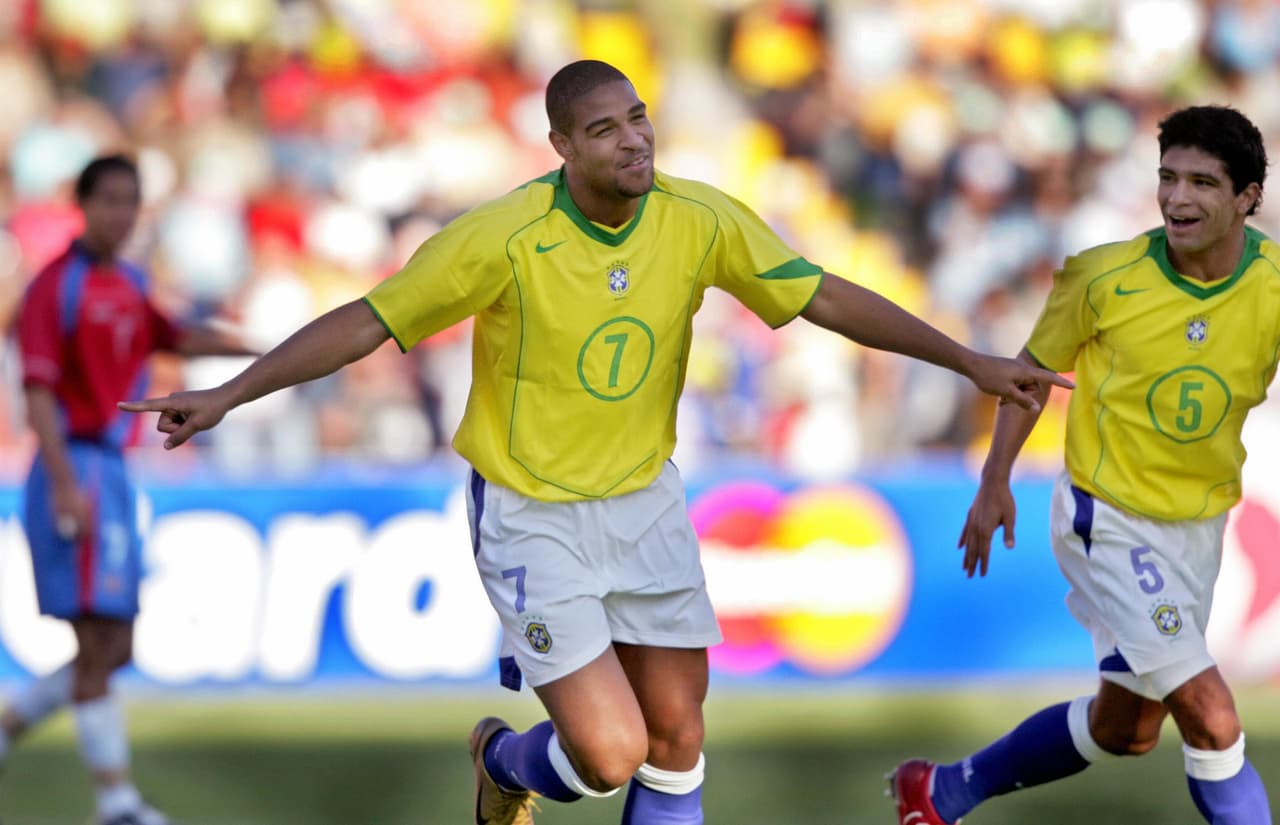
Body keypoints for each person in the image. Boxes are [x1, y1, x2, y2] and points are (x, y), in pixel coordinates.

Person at [120, 60, 1068, 825]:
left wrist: (964, 359)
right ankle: (500, 760)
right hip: (532, 514)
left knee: (679, 736)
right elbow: (371, 320)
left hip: (646, 500)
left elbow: (820, 291)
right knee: (610, 755)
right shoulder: (503, 236)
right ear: (561, 146)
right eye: (605, 127)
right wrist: (234, 392)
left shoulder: (699, 219)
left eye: (640, 117)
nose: (633, 138)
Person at [890, 105, 1275, 825]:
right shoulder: (1104, 277)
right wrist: (994, 478)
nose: (1178, 199)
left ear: (1249, 196)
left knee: (1123, 730)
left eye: (1203, 182)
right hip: (1109, 519)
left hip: (1200, 526)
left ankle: (939, 791)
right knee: (1215, 718)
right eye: (1168, 178)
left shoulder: (1275, 284)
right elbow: (1029, 374)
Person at [2, 154, 255, 825]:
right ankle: (115, 803)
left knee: (117, 646)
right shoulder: (56, 286)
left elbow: (176, 334)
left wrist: (266, 350)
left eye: (130, 201)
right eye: (109, 199)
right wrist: (61, 484)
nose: (121, 213)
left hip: (110, 470)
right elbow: (38, 391)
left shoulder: (129, 284)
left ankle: (8, 726)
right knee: (98, 642)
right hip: (77, 465)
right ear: (82, 204)